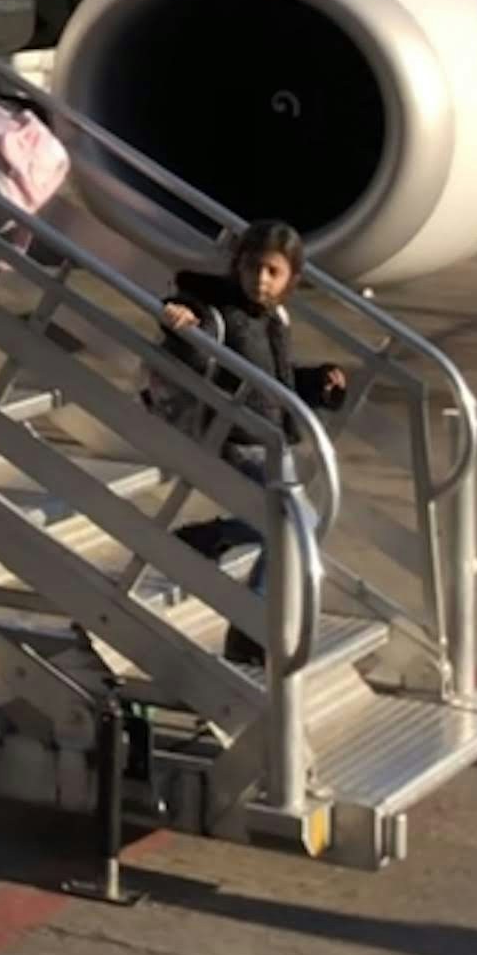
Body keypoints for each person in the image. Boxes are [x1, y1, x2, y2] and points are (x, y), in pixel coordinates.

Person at [155, 218, 354, 665]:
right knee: (295, 525)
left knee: (296, 525)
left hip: (268, 439)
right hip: (233, 438)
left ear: (291, 280)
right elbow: (194, 335)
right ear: (237, 267)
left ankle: (211, 537)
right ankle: (250, 628)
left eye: (272, 272)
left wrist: (320, 383)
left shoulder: (274, 320)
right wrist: (180, 319)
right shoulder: (221, 311)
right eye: (252, 268)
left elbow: (277, 383)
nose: (260, 279)